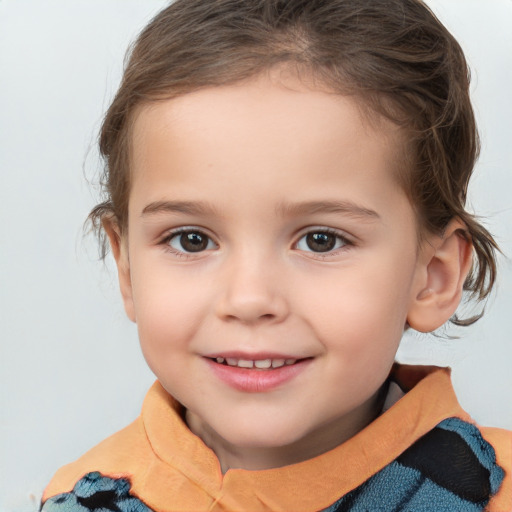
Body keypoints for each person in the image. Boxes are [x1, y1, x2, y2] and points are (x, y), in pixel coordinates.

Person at [40, 0, 511, 510]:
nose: (249, 299)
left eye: (321, 240)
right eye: (192, 239)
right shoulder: (80, 498)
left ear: (433, 277)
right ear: (127, 267)